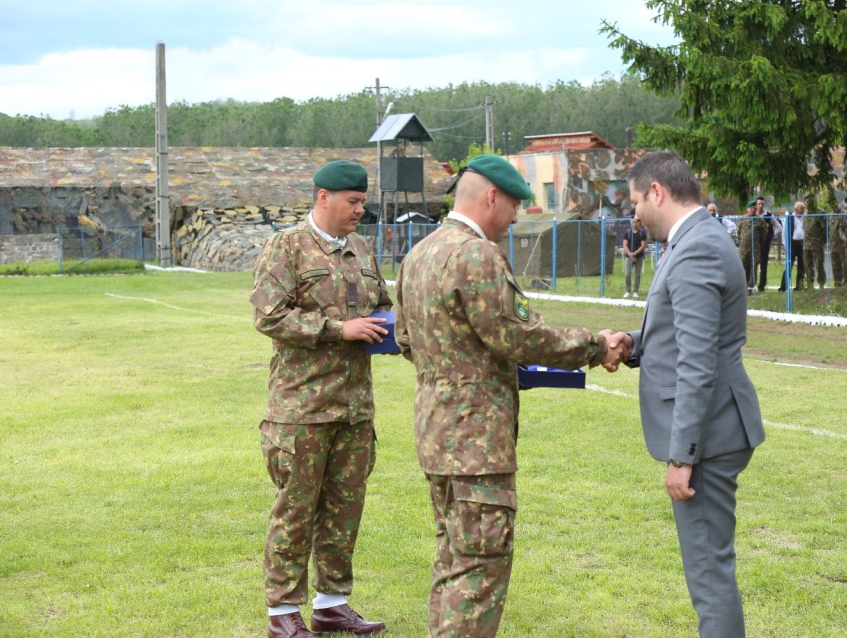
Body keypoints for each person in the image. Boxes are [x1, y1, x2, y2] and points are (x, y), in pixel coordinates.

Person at [394, 154, 620, 638]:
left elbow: (407, 341)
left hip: (437, 434)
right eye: (514, 204)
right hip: (477, 443)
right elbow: (520, 338)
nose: (516, 216)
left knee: (454, 561)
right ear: (491, 197)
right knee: (479, 572)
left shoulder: (419, 255)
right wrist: (597, 345)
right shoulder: (476, 255)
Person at [607, 150, 765, 638]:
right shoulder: (693, 240)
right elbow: (683, 330)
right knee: (710, 567)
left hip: (709, 434)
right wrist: (635, 343)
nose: (633, 214)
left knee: (710, 575)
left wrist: (683, 457)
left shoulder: (696, 246)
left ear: (657, 191)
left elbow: (697, 364)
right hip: (716, 426)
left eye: (635, 201)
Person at [250, 160, 390, 638]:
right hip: (302, 410)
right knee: (295, 509)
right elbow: (269, 316)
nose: (359, 211)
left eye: (362, 203)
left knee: (344, 507)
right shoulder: (285, 246)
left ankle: (332, 603)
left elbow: (382, 308)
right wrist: (337, 329)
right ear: (323, 197)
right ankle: (282, 613)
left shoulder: (362, 249)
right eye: (352, 202)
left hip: (354, 406)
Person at [735, 200, 764, 294]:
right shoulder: (743, 219)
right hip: (744, 247)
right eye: (751, 208)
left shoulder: (760, 220)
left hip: (755, 247)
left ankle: (750, 287)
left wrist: (759, 243)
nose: (753, 210)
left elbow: (763, 234)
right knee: (742, 266)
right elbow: (738, 231)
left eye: (754, 208)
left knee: (753, 266)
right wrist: (741, 242)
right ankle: (740, 285)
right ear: (747, 209)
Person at [778, 202, 806, 292]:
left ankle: (799, 286)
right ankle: (783, 287)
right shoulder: (789, 218)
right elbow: (784, 232)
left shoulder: (804, 218)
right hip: (792, 244)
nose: (803, 210)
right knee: (789, 265)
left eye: (804, 208)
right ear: (796, 209)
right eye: (801, 208)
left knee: (802, 266)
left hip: (802, 244)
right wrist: (785, 244)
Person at [802, 193, 826, 289]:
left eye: (810, 201)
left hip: (817, 242)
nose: (808, 203)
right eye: (807, 201)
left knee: (819, 264)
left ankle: (821, 283)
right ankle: (810, 283)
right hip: (806, 243)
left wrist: (823, 241)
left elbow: (825, 228)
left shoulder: (821, 212)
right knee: (807, 264)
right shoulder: (805, 212)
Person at [622, 216, 648, 298]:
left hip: (639, 257)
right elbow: (625, 245)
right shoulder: (627, 233)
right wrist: (630, 254)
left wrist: (635, 253)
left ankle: (635, 291)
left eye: (636, 222)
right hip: (628, 257)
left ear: (639, 223)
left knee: (637, 275)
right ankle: (628, 291)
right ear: (631, 223)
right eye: (633, 222)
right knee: (627, 274)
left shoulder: (642, 233)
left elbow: (643, 246)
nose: (634, 223)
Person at [755, 196, 774, 292]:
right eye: (759, 203)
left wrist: (770, 238)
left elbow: (777, 227)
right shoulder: (752, 215)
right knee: (752, 264)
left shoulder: (768, 215)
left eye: (762, 204)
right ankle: (750, 285)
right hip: (753, 244)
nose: (761, 205)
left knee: (763, 265)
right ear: (756, 204)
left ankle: (761, 286)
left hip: (764, 245)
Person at [828, 198, 847, 286]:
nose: (832, 206)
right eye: (830, 205)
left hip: (842, 243)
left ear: (838, 203)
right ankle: (837, 282)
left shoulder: (845, 213)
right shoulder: (830, 215)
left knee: (845, 263)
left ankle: (846, 280)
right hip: (833, 243)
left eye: (834, 204)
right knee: (835, 264)